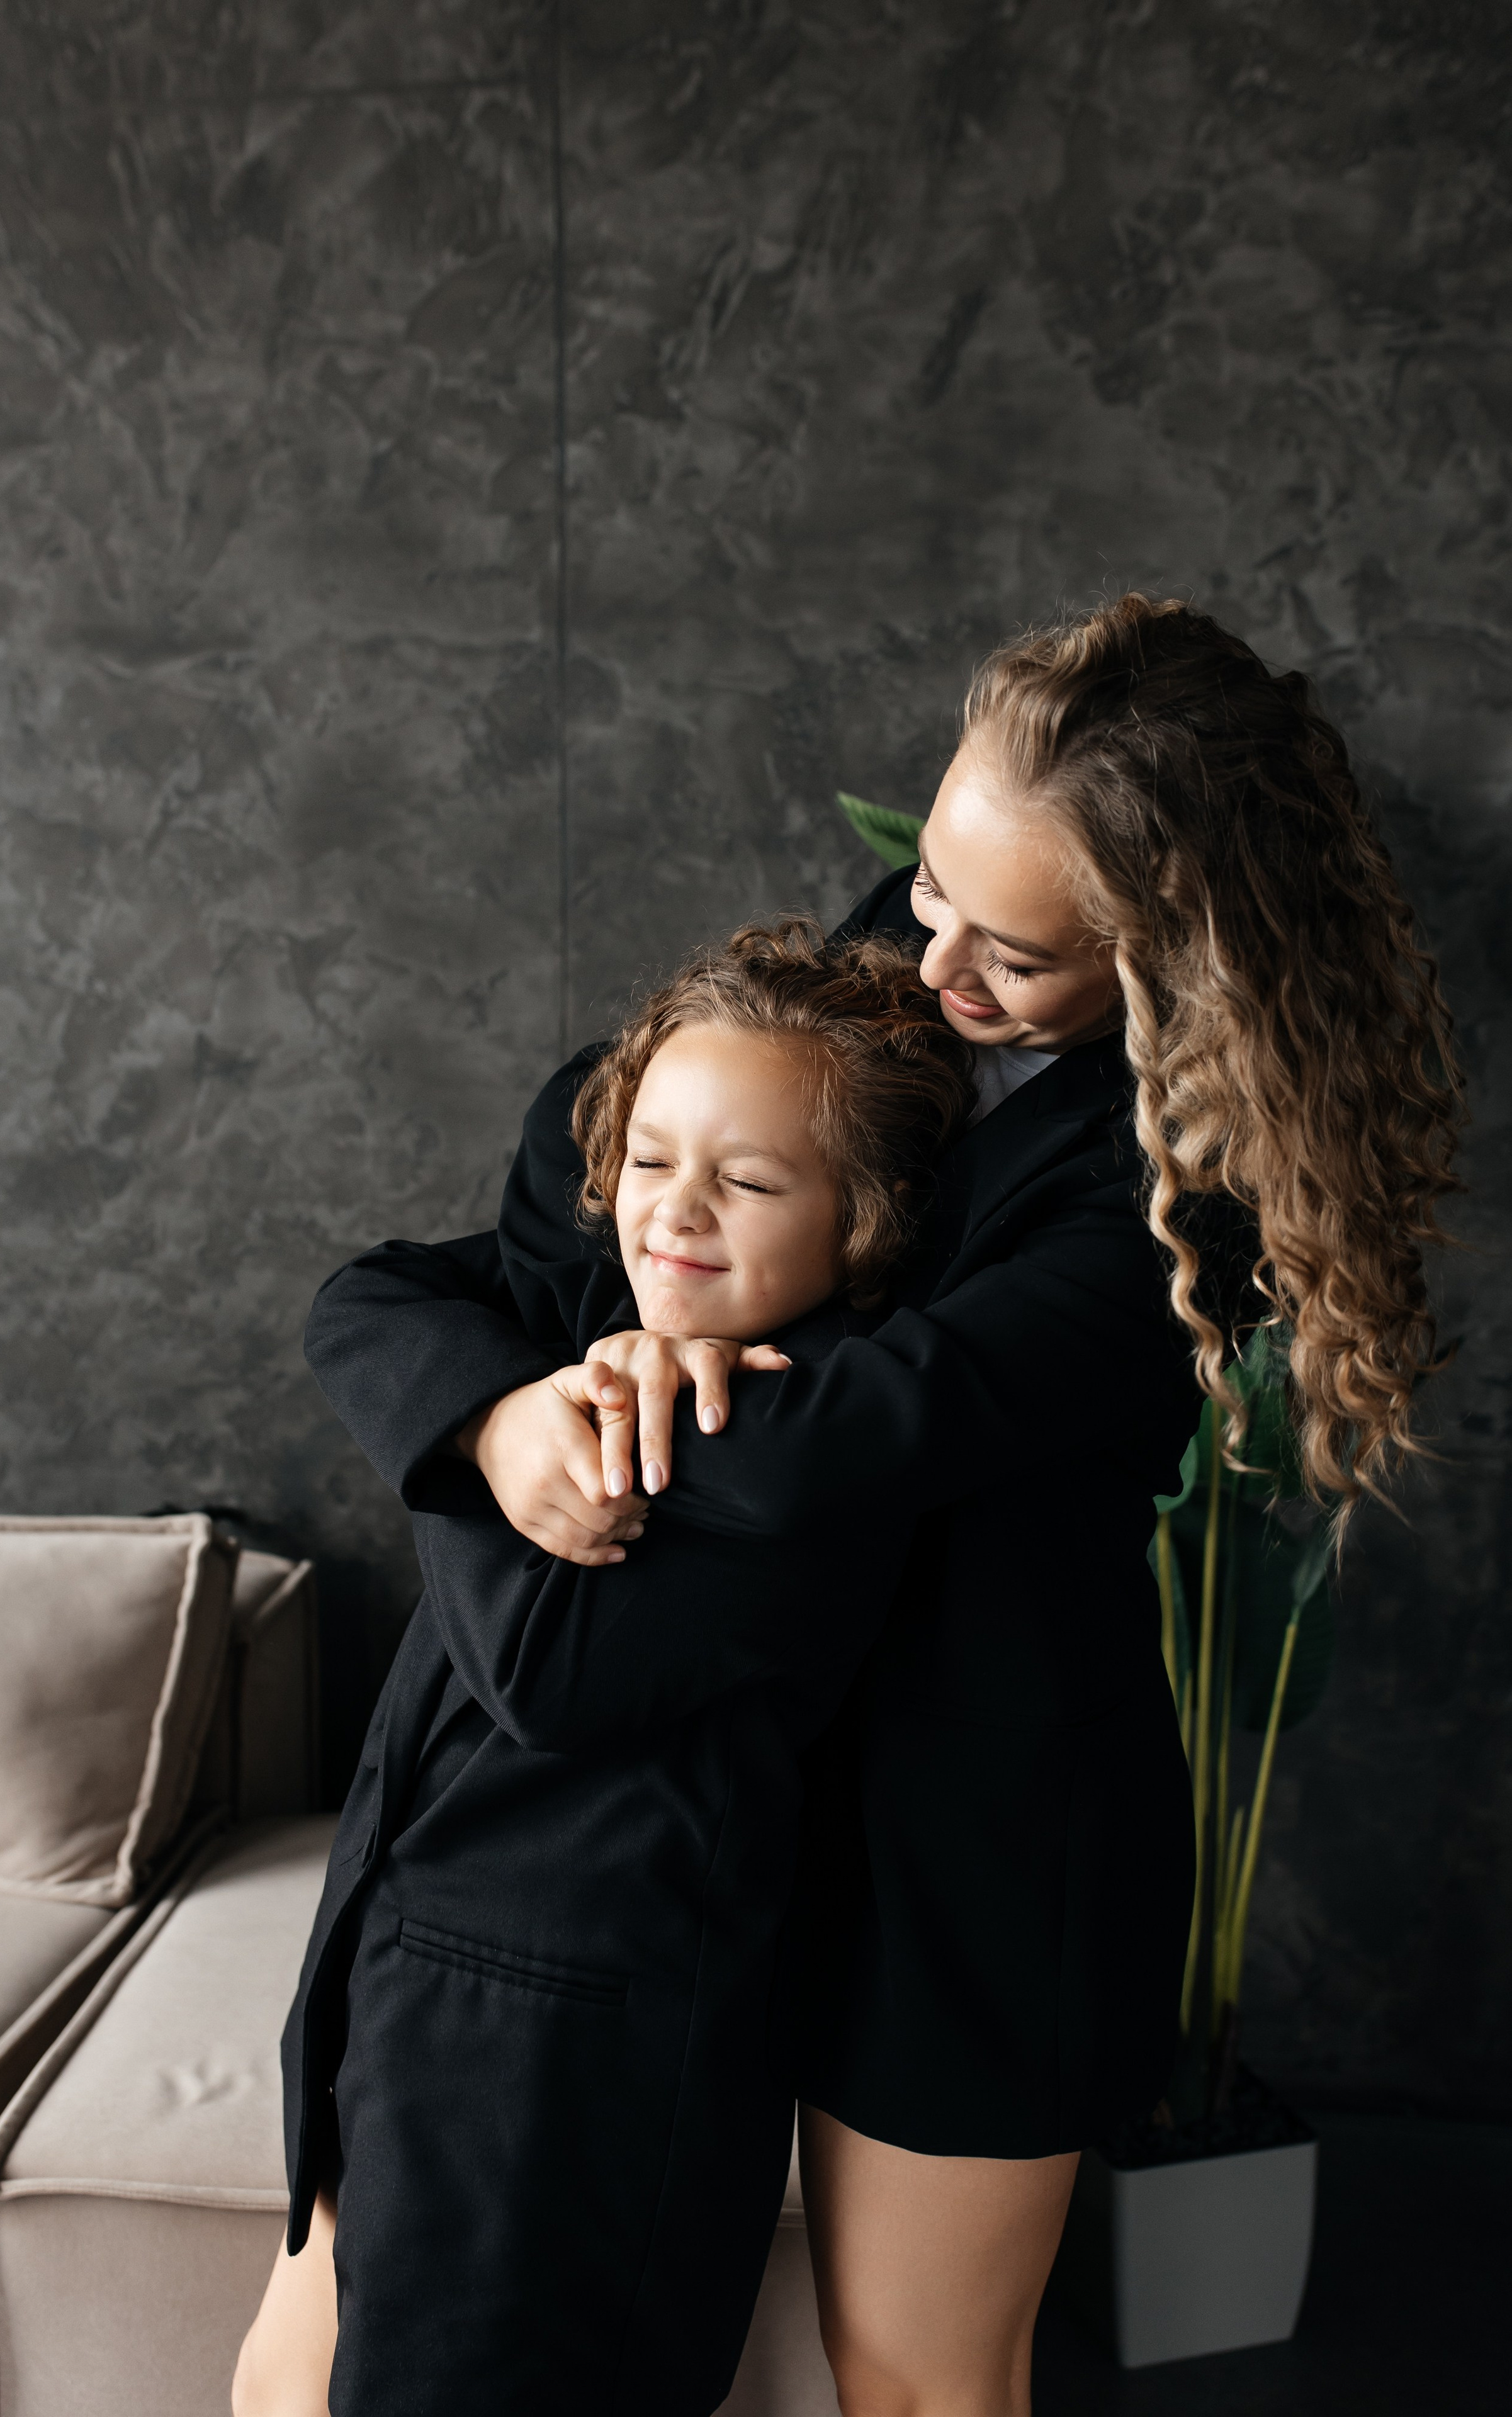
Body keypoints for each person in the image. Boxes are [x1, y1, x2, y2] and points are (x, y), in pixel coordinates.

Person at [276, 597, 1462, 2417]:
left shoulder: (1183, 1201)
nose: (934, 978)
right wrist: (505, 1418)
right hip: (727, 1808)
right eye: (930, 894)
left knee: (917, 2384)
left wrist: (569, 1420)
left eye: (1018, 959)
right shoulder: (874, 975)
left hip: (967, 1854)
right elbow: (492, 1256)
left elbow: (850, 1428)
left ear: (1179, 967)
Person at [233, 921, 976, 2417]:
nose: (672, 1216)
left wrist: (476, 1442)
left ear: (863, 1225)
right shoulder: (602, 1336)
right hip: (404, 1993)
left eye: (748, 1181)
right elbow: (363, 1297)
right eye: (647, 1160)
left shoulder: (787, 1437)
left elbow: (540, 1662)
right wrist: (506, 1414)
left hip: (557, 2077)